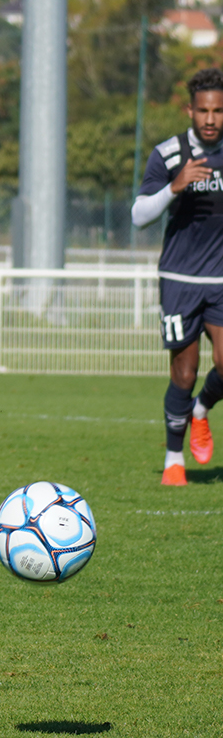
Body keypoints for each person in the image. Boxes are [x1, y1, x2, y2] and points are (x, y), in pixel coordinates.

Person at [132, 67, 223, 486]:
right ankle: (174, 459)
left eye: (218, 111)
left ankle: (202, 410)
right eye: (203, 110)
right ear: (190, 110)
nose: (210, 119)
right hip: (179, 279)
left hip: (221, 280)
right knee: (183, 373)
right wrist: (174, 188)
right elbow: (138, 217)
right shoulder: (169, 155)